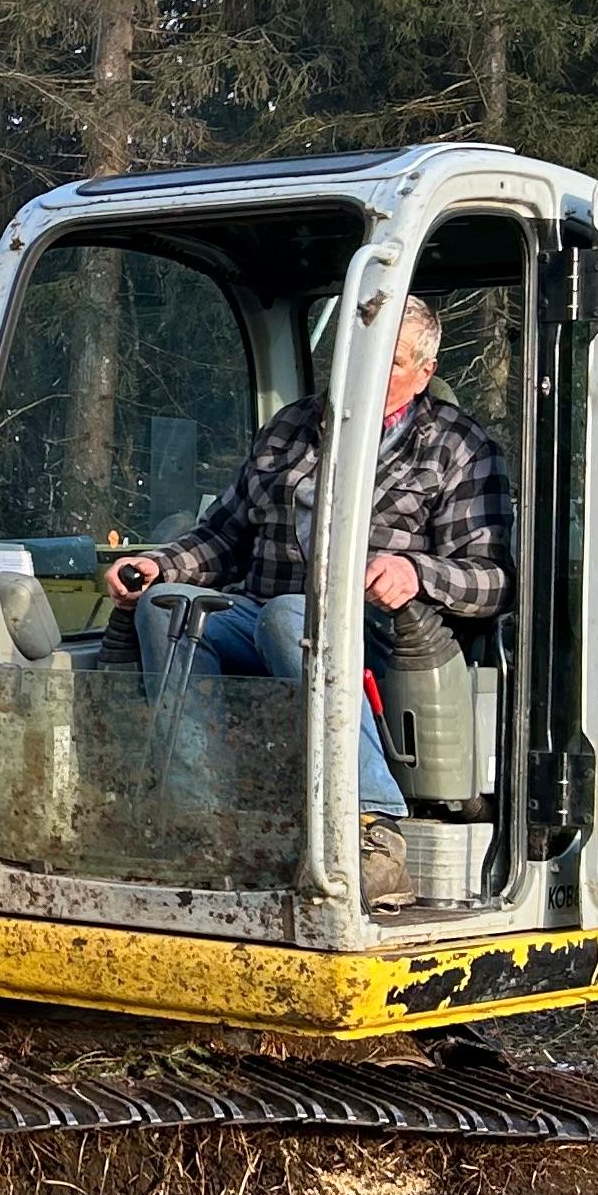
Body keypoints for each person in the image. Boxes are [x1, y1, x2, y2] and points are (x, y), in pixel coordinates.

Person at [97, 295, 513, 900]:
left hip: (383, 637)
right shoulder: (291, 428)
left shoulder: (458, 447)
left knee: (292, 617)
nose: (365, 370)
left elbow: (495, 577)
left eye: (389, 361)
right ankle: (199, 822)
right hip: (269, 614)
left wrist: (417, 573)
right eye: (354, 353)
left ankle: (373, 831)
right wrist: (156, 565)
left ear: (424, 373)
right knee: (172, 608)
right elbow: (225, 536)